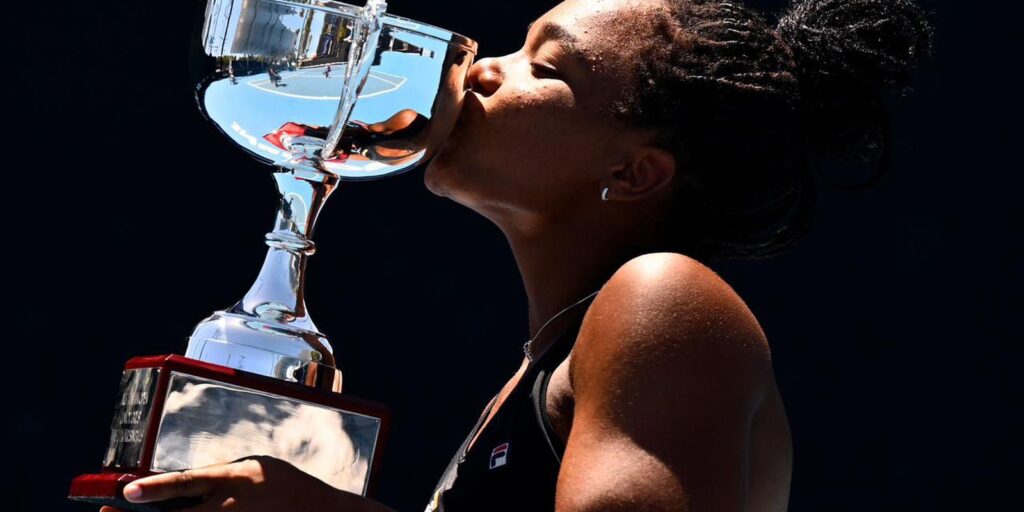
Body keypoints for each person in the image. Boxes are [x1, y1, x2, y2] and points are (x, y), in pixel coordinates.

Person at [100, 0, 933, 510]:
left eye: (545, 65)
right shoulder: (546, 365)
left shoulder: (666, 299)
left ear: (634, 171)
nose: (482, 70)